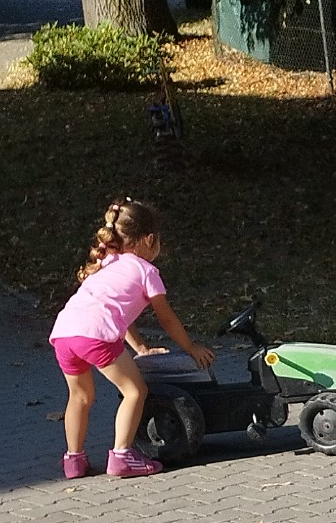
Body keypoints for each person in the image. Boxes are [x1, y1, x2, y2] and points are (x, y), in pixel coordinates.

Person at [49, 199, 214, 481]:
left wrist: (140, 348)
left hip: (64, 332)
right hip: (95, 335)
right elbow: (167, 319)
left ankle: (73, 461)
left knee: (80, 396)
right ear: (149, 239)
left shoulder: (106, 263)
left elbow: (116, 314)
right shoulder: (147, 272)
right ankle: (122, 456)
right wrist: (191, 347)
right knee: (135, 391)